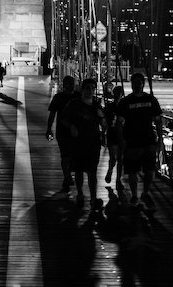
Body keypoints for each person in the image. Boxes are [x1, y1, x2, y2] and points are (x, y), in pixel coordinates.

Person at [116, 72, 162, 208]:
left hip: (147, 139)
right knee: (132, 171)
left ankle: (145, 193)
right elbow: (119, 122)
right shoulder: (126, 101)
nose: (137, 85)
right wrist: (121, 139)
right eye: (135, 82)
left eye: (139, 82)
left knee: (149, 171)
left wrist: (159, 137)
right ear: (132, 84)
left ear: (143, 84)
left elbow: (158, 120)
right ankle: (135, 195)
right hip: (132, 139)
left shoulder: (151, 100)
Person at [61, 77, 107, 213]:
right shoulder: (74, 104)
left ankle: (93, 198)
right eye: (87, 88)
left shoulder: (96, 105)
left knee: (92, 171)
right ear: (83, 89)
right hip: (78, 142)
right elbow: (63, 119)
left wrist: (103, 127)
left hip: (93, 142)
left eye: (93, 89)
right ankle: (80, 193)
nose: (90, 91)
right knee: (79, 170)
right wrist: (72, 126)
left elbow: (103, 123)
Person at [46, 75, 78, 192]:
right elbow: (52, 114)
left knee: (73, 155)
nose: (70, 85)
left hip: (76, 131)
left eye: (72, 83)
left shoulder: (78, 96)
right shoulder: (58, 97)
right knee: (65, 155)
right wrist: (49, 129)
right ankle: (67, 176)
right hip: (63, 131)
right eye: (68, 83)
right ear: (64, 85)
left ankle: (67, 175)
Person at [104, 85, 124, 189]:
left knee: (120, 158)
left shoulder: (124, 107)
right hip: (112, 133)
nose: (117, 95)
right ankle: (110, 170)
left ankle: (118, 180)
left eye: (119, 93)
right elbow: (105, 121)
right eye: (116, 93)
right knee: (113, 157)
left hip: (121, 135)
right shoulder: (109, 107)